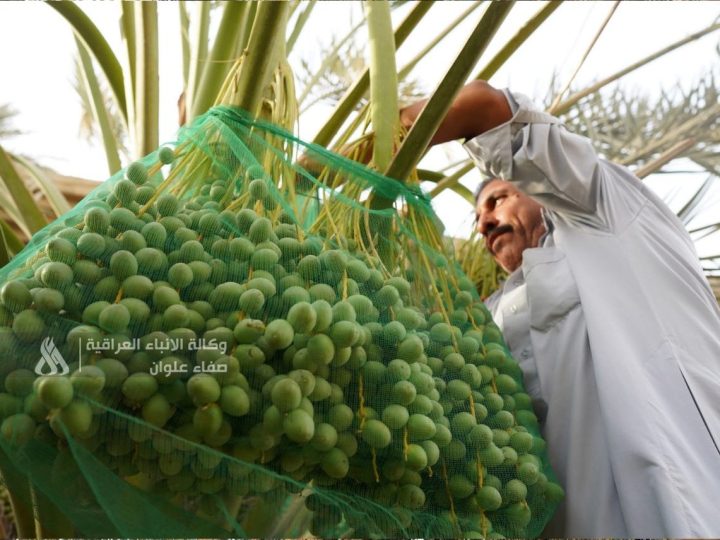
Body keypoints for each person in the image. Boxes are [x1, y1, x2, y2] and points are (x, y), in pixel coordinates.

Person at [400, 81, 720, 537]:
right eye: (477, 219)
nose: (485, 222)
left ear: (542, 190)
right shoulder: (491, 314)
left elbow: (494, 114)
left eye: (498, 199)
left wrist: (399, 127)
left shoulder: (605, 214)